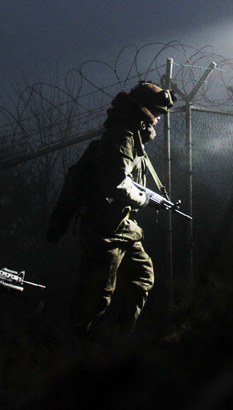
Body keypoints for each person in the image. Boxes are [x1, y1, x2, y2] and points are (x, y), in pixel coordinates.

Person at [59, 81, 175, 340]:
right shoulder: (122, 136)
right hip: (105, 230)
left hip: (122, 229)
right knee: (97, 297)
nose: (158, 119)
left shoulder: (132, 136)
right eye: (156, 113)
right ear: (144, 110)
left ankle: (117, 341)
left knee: (142, 279)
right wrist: (144, 200)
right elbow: (115, 184)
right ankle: (77, 355)